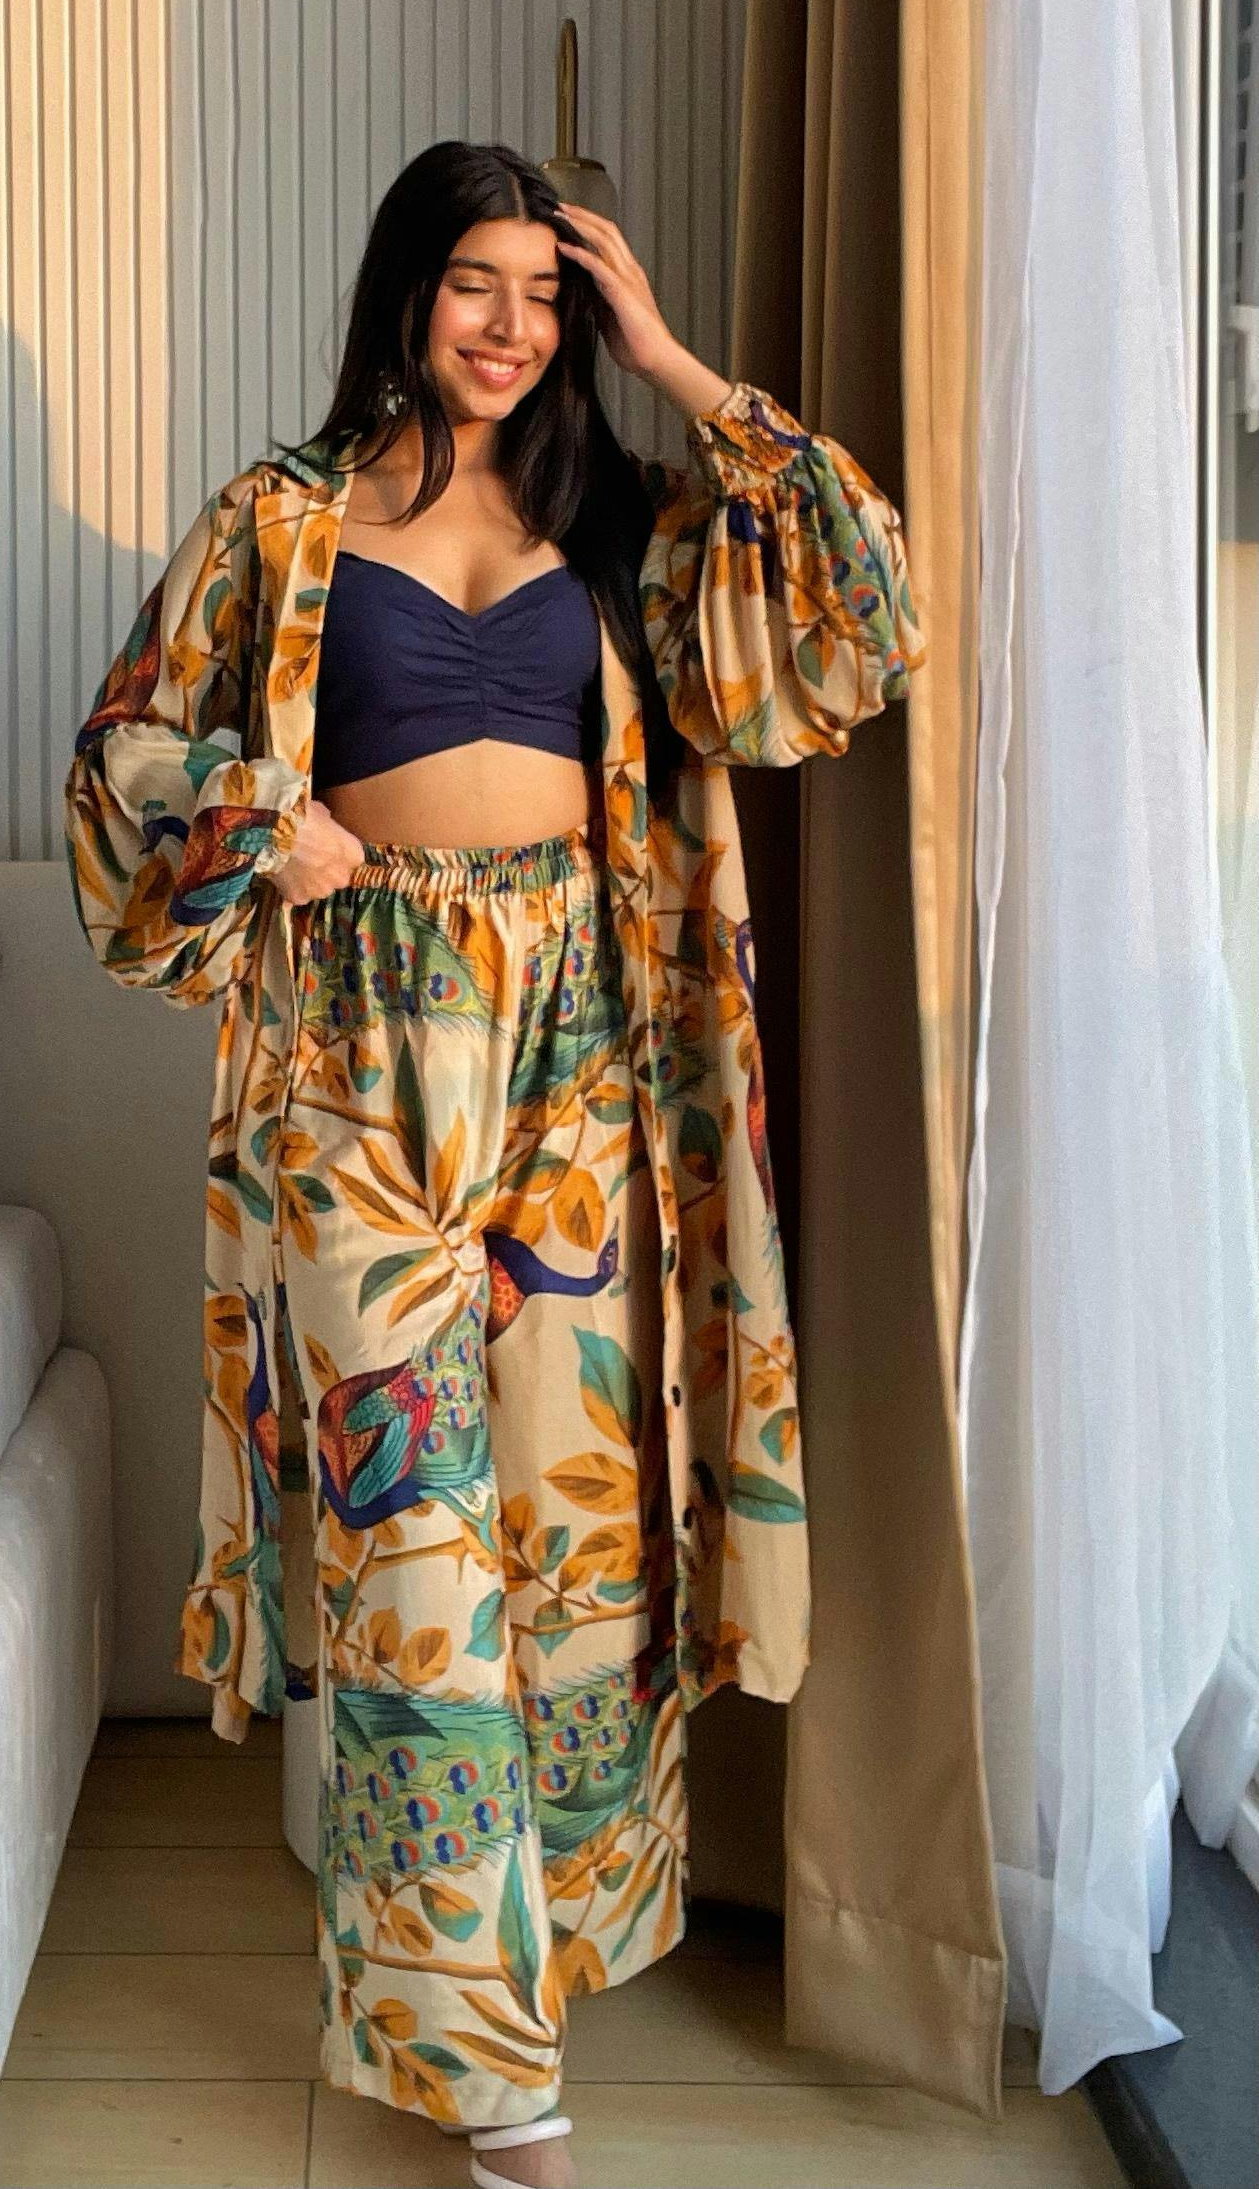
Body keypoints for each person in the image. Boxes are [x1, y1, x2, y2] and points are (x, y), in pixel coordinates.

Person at [62, 138, 926, 2189]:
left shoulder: (623, 525)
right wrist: (263, 816)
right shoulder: (275, 521)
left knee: (566, 1553)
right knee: (414, 1562)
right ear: (404, 287)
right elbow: (116, 770)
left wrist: (677, 364)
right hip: (357, 1071)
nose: (511, 326)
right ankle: (494, 2084)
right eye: (477, 281)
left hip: (577, 1068)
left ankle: (516, 1976)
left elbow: (861, 625)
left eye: (548, 295)